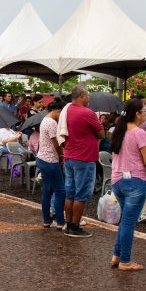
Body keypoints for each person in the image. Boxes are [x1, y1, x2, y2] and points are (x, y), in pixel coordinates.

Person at [109, 98, 146, 271]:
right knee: (128, 222)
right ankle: (125, 261)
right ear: (137, 114)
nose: (145, 114)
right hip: (135, 180)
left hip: (117, 180)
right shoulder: (139, 133)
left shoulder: (118, 131)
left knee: (125, 221)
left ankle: (117, 255)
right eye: (143, 111)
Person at [60, 85, 104, 238]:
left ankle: (68, 224)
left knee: (70, 193)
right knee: (81, 194)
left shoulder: (66, 110)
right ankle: (75, 226)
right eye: (87, 95)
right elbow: (101, 134)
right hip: (84, 158)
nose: (89, 98)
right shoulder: (87, 113)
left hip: (69, 156)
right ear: (81, 96)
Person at [35, 100, 65, 228]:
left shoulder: (45, 119)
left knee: (46, 190)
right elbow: (56, 144)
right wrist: (62, 155)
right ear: (57, 110)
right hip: (50, 160)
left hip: (42, 158)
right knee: (60, 191)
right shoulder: (52, 123)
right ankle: (60, 221)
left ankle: (47, 220)